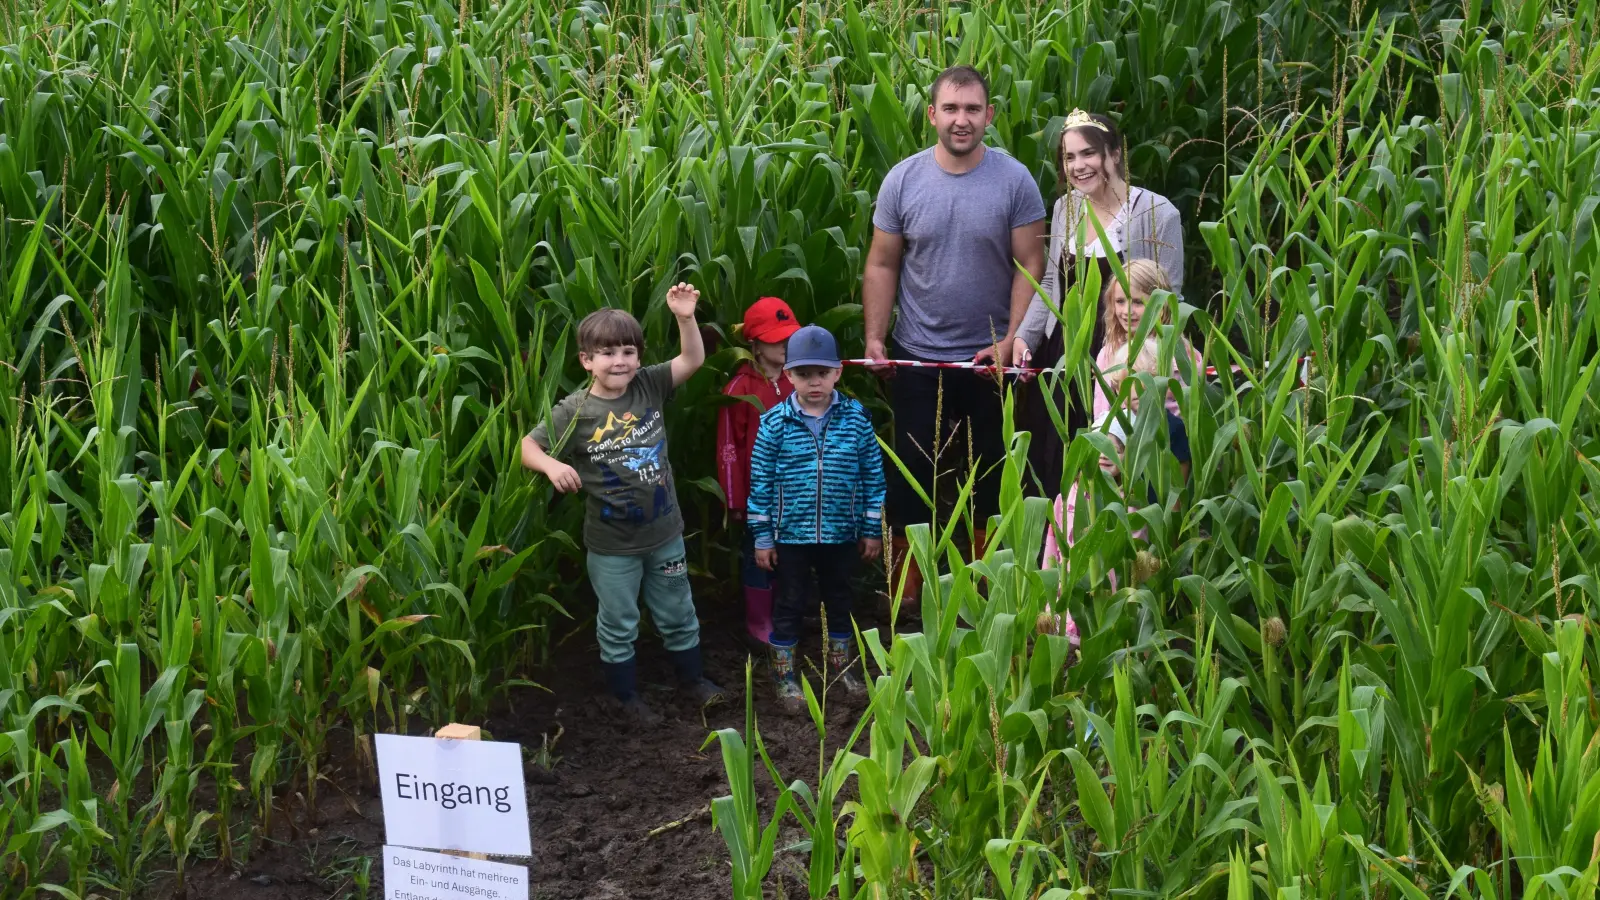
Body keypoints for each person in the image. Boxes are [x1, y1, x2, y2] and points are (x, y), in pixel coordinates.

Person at [862, 64, 1047, 610]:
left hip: (988, 359)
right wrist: (876, 337)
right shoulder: (903, 180)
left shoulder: (1015, 181)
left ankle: (984, 589)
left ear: (989, 115)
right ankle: (905, 594)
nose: (961, 120)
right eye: (951, 109)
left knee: (988, 473)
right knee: (913, 474)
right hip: (917, 357)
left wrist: (1012, 339)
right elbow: (881, 262)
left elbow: (1030, 265)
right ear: (932, 115)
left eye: (972, 109)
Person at [520, 286, 724, 725]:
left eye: (628, 351)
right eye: (607, 352)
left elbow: (692, 360)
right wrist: (552, 466)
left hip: (665, 533)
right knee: (618, 622)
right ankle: (625, 699)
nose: (620, 361)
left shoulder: (648, 384)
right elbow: (527, 447)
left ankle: (693, 684)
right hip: (612, 545)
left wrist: (685, 318)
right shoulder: (575, 410)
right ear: (586, 361)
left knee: (678, 611)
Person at [1013, 110, 1186, 500]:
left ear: (1114, 153)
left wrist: (1143, 367)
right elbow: (1053, 282)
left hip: (1121, 361)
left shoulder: (1156, 213)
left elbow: (1167, 300)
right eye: (1069, 157)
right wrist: (1025, 336)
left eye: (1088, 153)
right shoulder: (1065, 209)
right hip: (1065, 355)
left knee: (1115, 465)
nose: (1078, 166)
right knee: (1056, 458)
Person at [747, 325, 886, 713]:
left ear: (838, 372)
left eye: (822, 373)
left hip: (842, 534)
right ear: (788, 374)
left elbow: (873, 475)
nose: (814, 382)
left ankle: (842, 670)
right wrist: (762, 537)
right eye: (804, 374)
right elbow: (759, 483)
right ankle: (785, 678)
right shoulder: (775, 423)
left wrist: (871, 529)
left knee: (840, 599)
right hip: (790, 536)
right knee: (789, 603)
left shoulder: (856, 418)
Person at [1041, 339, 1192, 573]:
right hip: (1114, 531)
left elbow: (1176, 498)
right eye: (1124, 383)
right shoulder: (1110, 424)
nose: (1131, 391)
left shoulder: (1173, 430)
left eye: (1139, 381)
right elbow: (1088, 475)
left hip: (1150, 537)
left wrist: (1169, 548)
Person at [716, 296, 801, 645]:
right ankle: (758, 620)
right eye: (775, 339)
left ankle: (785, 612)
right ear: (754, 343)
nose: (785, 345)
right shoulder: (740, 388)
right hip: (760, 496)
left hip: (798, 490)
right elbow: (728, 448)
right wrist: (736, 499)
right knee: (758, 556)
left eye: (789, 336)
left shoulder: (801, 379)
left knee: (791, 554)